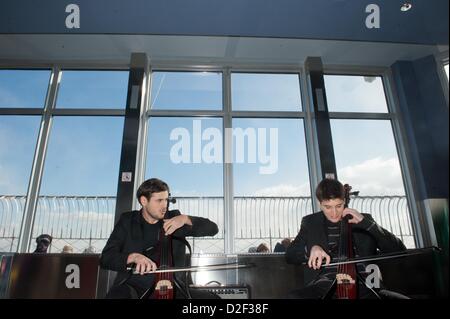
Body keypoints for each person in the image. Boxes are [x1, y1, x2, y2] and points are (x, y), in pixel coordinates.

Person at [286, 178, 407, 299]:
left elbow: (399, 250)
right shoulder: (310, 222)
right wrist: (310, 249)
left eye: (338, 206)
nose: (334, 213)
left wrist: (369, 225)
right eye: (328, 207)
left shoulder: (364, 219)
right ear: (319, 203)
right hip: (324, 287)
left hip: (366, 285)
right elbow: (290, 255)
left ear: (344, 201)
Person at [100, 178, 219, 299]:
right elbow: (106, 258)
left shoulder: (174, 220)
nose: (165, 206)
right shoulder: (128, 220)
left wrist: (185, 219)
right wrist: (133, 257)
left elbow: (213, 229)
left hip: (173, 288)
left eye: (166, 200)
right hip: (134, 288)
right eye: (159, 200)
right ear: (144, 201)